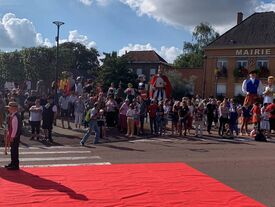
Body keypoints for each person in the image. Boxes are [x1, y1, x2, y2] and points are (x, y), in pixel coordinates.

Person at [4, 101, 22, 170]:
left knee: (14, 150)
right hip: (13, 135)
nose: (8, 109)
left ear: (14, 108)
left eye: (9, 108)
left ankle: (15, 164)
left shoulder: (15, 116)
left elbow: (15, 128)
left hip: (14, 136)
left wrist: (12, 136)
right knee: (13, 150)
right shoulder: (12, 115)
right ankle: (13, 163)